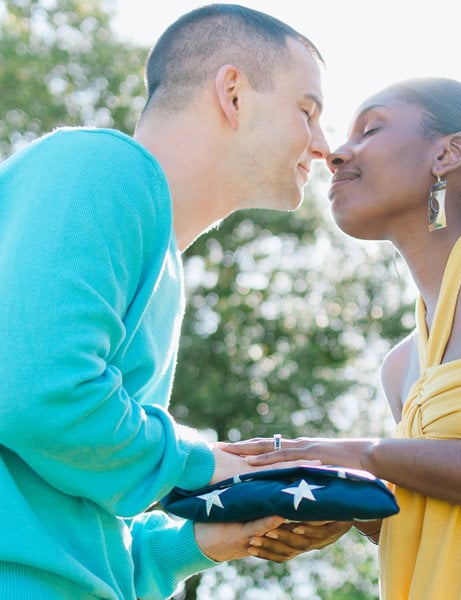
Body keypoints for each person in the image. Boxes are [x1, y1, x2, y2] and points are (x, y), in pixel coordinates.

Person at [0, 4, 350, 600]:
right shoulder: (101, 166)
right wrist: (205, 465)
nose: (324, 148)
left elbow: (92, 537)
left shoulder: (161, 260)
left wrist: (208, 539)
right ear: (233, 94)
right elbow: (37, 391)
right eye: (308, 112)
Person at [224, 77, 461, 599]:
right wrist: (343, 503)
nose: (336, 153)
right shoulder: (400, 365)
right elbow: (443, 512)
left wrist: (366, 456)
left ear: (448, 153)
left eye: (371, 129)